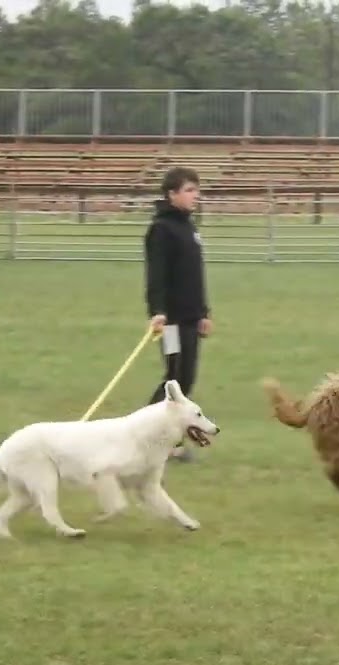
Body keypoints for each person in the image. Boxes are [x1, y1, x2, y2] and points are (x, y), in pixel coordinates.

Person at [143, 166, 214, 461]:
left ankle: (161, 438)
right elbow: (156, 275)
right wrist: (158, 312)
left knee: (185, 379)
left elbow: (195, 275)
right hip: (171, 321)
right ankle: (152, 437)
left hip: (190, 318)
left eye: (196, 190)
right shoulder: (161, 229)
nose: (195, 195)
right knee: (174, 380)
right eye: (188, 190)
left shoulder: (189, 226)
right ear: (171, 194)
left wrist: (203, 313)